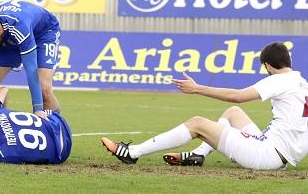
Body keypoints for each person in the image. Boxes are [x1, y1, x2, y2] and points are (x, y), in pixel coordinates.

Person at [101, 42, 308, 170]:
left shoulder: (278, 80)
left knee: (197, 124)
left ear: (268, 66)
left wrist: (197, 88)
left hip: (267, 155)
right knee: (233, 113)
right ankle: (199, 153)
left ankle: (132, 153)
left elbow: (237, 96)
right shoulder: (301, 82)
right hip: (279, 154)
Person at [0, 0, 61, 118]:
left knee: (44, 89)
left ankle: (57, 128)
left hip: (43, 33)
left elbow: (31, 69)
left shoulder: (18, 26)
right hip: (7, 38)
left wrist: (37, 109)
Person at [0, 86, 72, 164]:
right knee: (46, 98)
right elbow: (4, 89)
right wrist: (3, 116)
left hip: (62, 151)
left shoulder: (4, 156)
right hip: (56, 122)